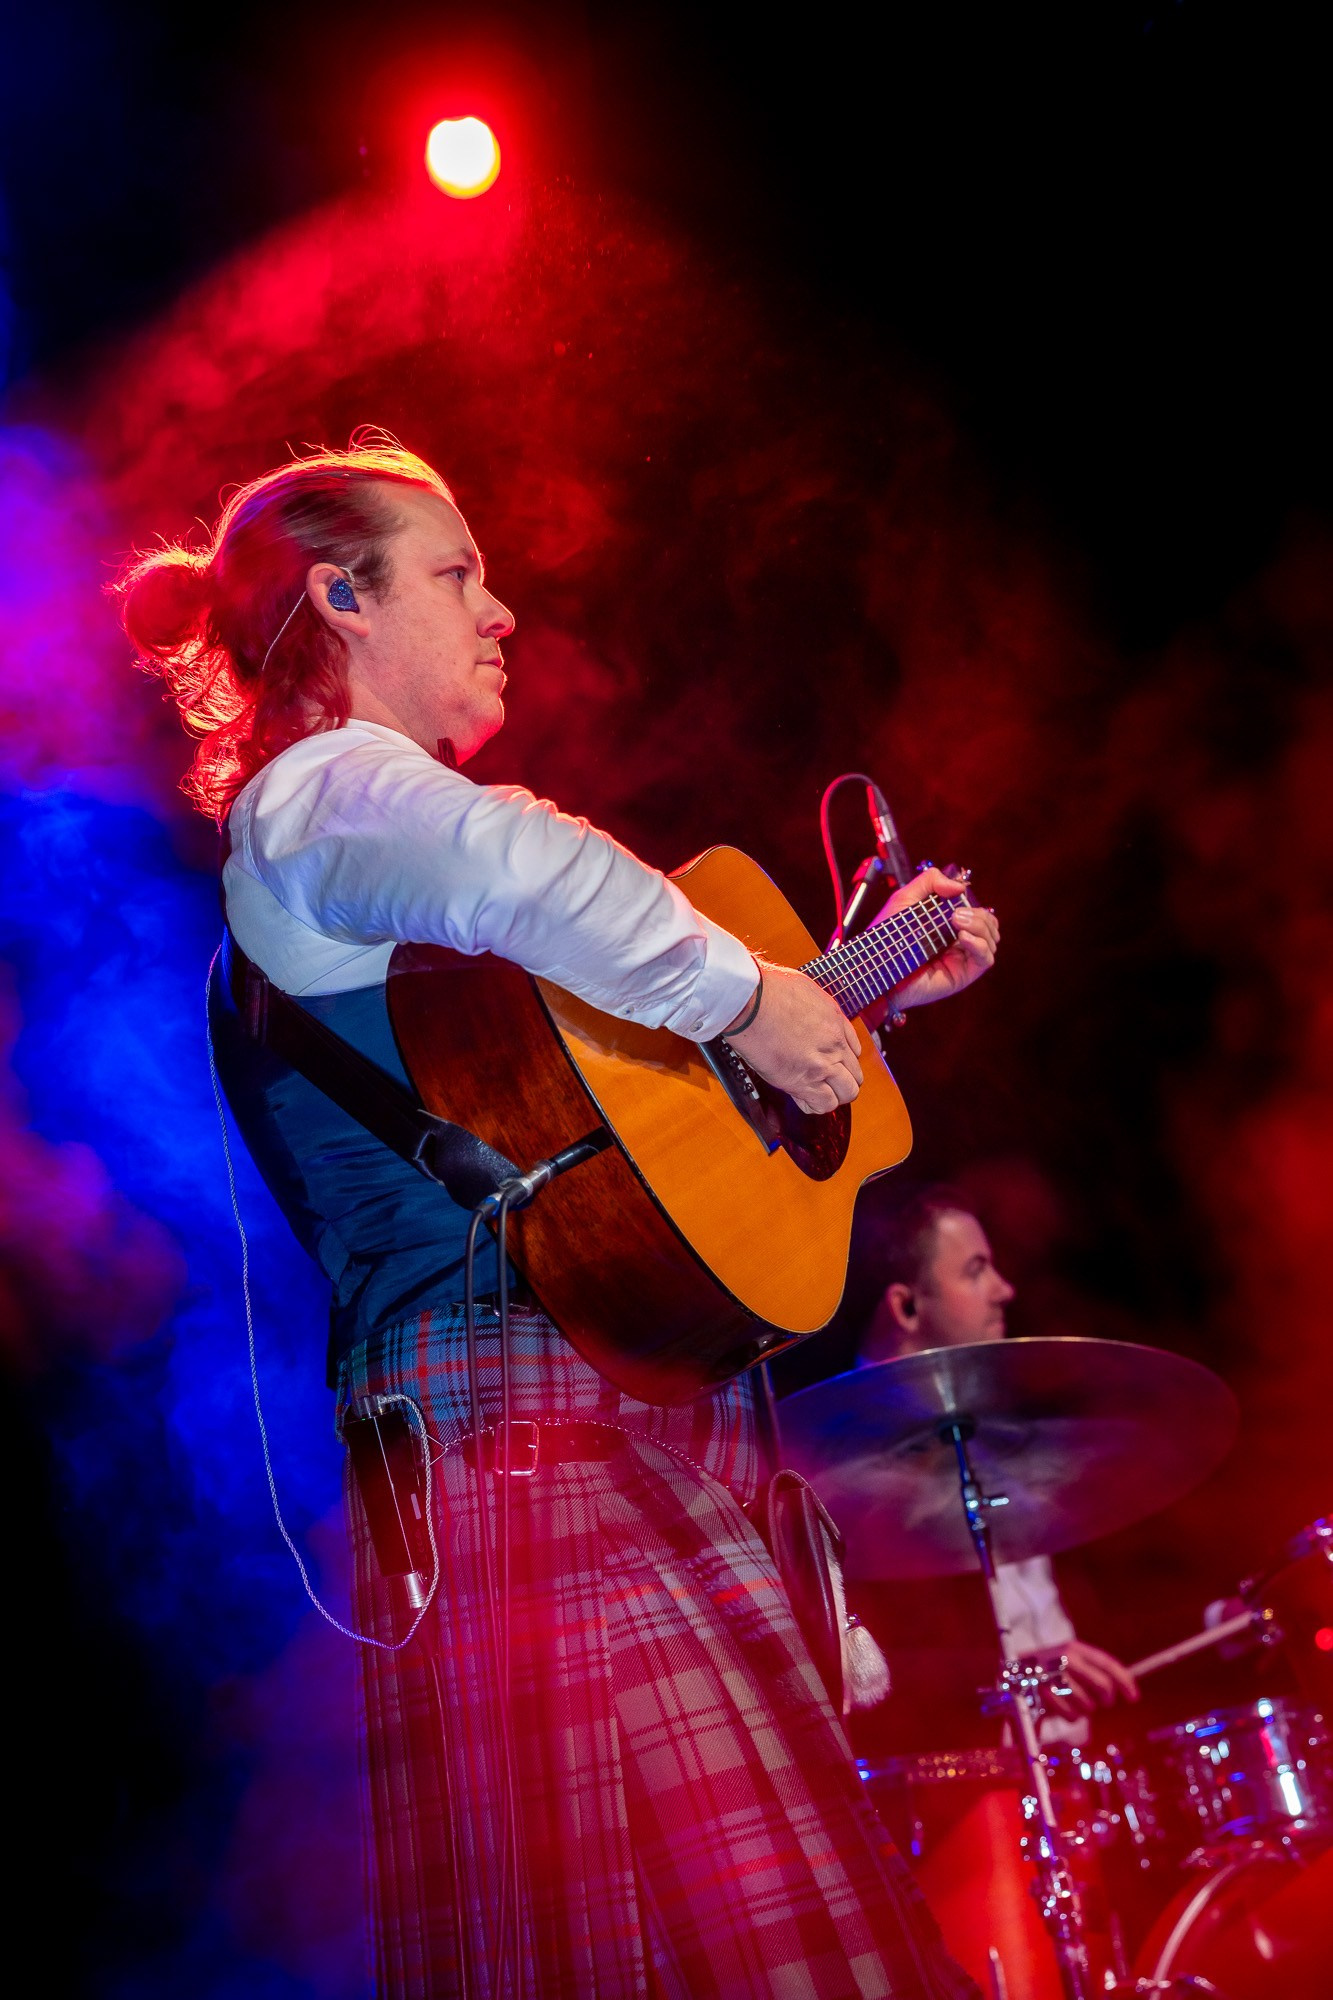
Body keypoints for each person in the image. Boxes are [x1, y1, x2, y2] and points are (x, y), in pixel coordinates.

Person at [116, 435, 999, 1999]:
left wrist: (859, 996)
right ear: (339, 600)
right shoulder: (318, 801)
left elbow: (628, 1110)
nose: (502, 609)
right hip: (521, 1436)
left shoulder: (422, 889)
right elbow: (528, 864)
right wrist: (751, 994)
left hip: (603, 1413)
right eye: (456, 573)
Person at [854, 1188, 1139, 1751]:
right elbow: (850, 1672)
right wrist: (1010, 1676)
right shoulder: (837, 1464)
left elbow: (1085, 1637)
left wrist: (1221, 1619)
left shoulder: (998, 1430)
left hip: (1084, 1784)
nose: (1004, 1290)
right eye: (976, 1271)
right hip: (967, 1803)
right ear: (907, 1307)